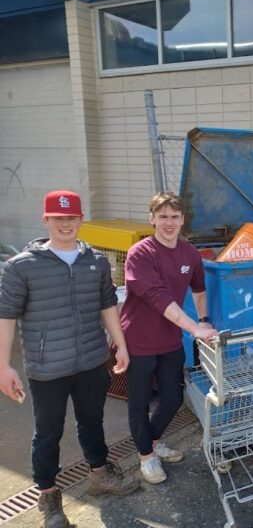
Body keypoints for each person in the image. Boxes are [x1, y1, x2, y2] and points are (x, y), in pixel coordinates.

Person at [0, 190, 139, 528]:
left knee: (92, 422)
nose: (65, 224)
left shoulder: (96, 261)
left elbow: (108, 305)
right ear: (46, 219)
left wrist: (120, 344)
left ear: (80, 220)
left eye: (72, 218)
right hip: (47, 368)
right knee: (48, 433)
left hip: (91, 360)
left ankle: (99, 475)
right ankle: (48, 499)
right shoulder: (21, 267)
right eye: (58, 218)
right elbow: (5, 315)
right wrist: (3, 366)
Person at [121, 192, 217, 485]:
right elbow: (158, 298)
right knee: (138, 403)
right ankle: (146, 457)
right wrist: (194, 328)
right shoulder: (140, 253)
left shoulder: (189, 253)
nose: (169, 223)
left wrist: (202, 320)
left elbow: (199, 288)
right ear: (151, 219)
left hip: (170, 339)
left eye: (174, 217)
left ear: (183, 220)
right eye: (162, 216)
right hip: (138, 340)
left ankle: (153, 441)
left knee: (173, 398)